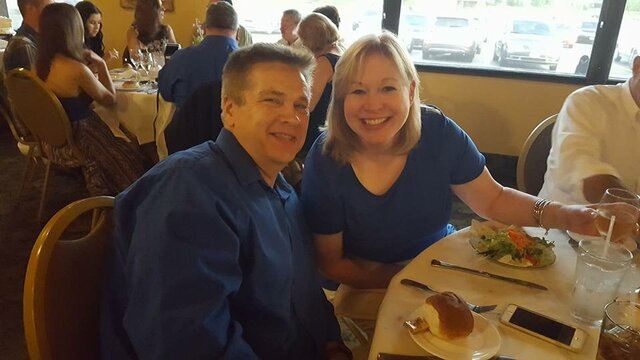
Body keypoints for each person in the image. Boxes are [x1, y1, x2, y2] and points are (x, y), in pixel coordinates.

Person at [101, 43, 351, 360]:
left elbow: (302, 289)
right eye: (272, 100)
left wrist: (331, 343)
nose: (292, 117)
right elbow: (185, 343)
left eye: (300, 105)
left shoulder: (280, 189)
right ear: (229, 110)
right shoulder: (188, 193)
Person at [301, 32, 599, 290]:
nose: (373, 104)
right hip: (363, 282)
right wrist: (415, 277)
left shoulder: (437, 132)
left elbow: (493, 200)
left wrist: (571, 216)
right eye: (357, 90)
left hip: (440, 262)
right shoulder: (326, 160)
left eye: (388, 88)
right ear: (340, 101)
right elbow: (333, 264)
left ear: (411, 91)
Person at [36, 3, 146, 196]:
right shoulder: (76, 69)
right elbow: (110, 100)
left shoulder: (39, 66)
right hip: (81, 141)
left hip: (51, 142)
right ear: (73, 30)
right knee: (136, 149)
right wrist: (102, 64)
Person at [539, 55, 640, 205]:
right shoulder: (587, 102)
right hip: (558, 224)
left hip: (628, 227)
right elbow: (582, 170)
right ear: (637, 66)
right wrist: (632, 210)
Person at [158, 1, 238, 108]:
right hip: (233, 124)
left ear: (204, 28)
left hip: (188, 123)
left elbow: (165, 93)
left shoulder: (180, 59)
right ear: (238, 31)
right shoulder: (249, 64)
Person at [297, 13, 342, 156]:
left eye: (303, 41)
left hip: (317, 131)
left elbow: (309, 104)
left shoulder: (324, 62)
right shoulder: (341, 54)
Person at [2, 0, 54, 72]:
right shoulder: (23, 45)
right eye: (48, 8)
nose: (53, 12)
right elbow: (36, 82)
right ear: (30, 8)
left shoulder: (36, 39)